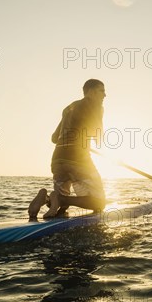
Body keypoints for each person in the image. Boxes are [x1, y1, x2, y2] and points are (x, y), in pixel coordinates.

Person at [28, 79, 107, 220]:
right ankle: (61, 199)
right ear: (91, 91)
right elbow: (99, 137)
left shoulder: (69, 108)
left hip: (57, 159)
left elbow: (54, 138)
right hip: (78, 159)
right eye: (102, 91)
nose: (104, 95)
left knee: (62, 206)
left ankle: (46, 199)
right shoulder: (96, 106)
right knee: (99, 203)